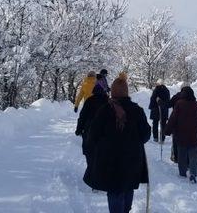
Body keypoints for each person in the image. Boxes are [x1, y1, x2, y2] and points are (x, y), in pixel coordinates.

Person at [84, 73, 151, 213]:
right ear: (126, 92)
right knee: (128, 187)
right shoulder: (137, 110)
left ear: (112, 91)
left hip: (109, 161)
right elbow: (145, 135)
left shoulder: (104, 110)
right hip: (132, 159)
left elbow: (92, 135)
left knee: (115, 191)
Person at [165, 86, 197, 184]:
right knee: (193, 157)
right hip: (194, 136)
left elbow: (173, 119)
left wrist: (167, 130)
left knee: (182, 156)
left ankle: (182, 173)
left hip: (181, 136)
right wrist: (195, 125)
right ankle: (193, 173)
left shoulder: (179, 104)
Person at [75, 73, 110, 167]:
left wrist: (76, 105)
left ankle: (91, 168)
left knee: (89, 150)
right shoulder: (108, 101)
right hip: (103, 130)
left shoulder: (85, 83)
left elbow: (82, 116)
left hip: (89, 118)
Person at [167, 88, 184, 163]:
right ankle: (184, 159)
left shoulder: (176, 96)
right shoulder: (192, 98)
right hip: (187, 122)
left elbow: (168, 104)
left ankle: (176, 157)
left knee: (175, 140)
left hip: (176, 121)